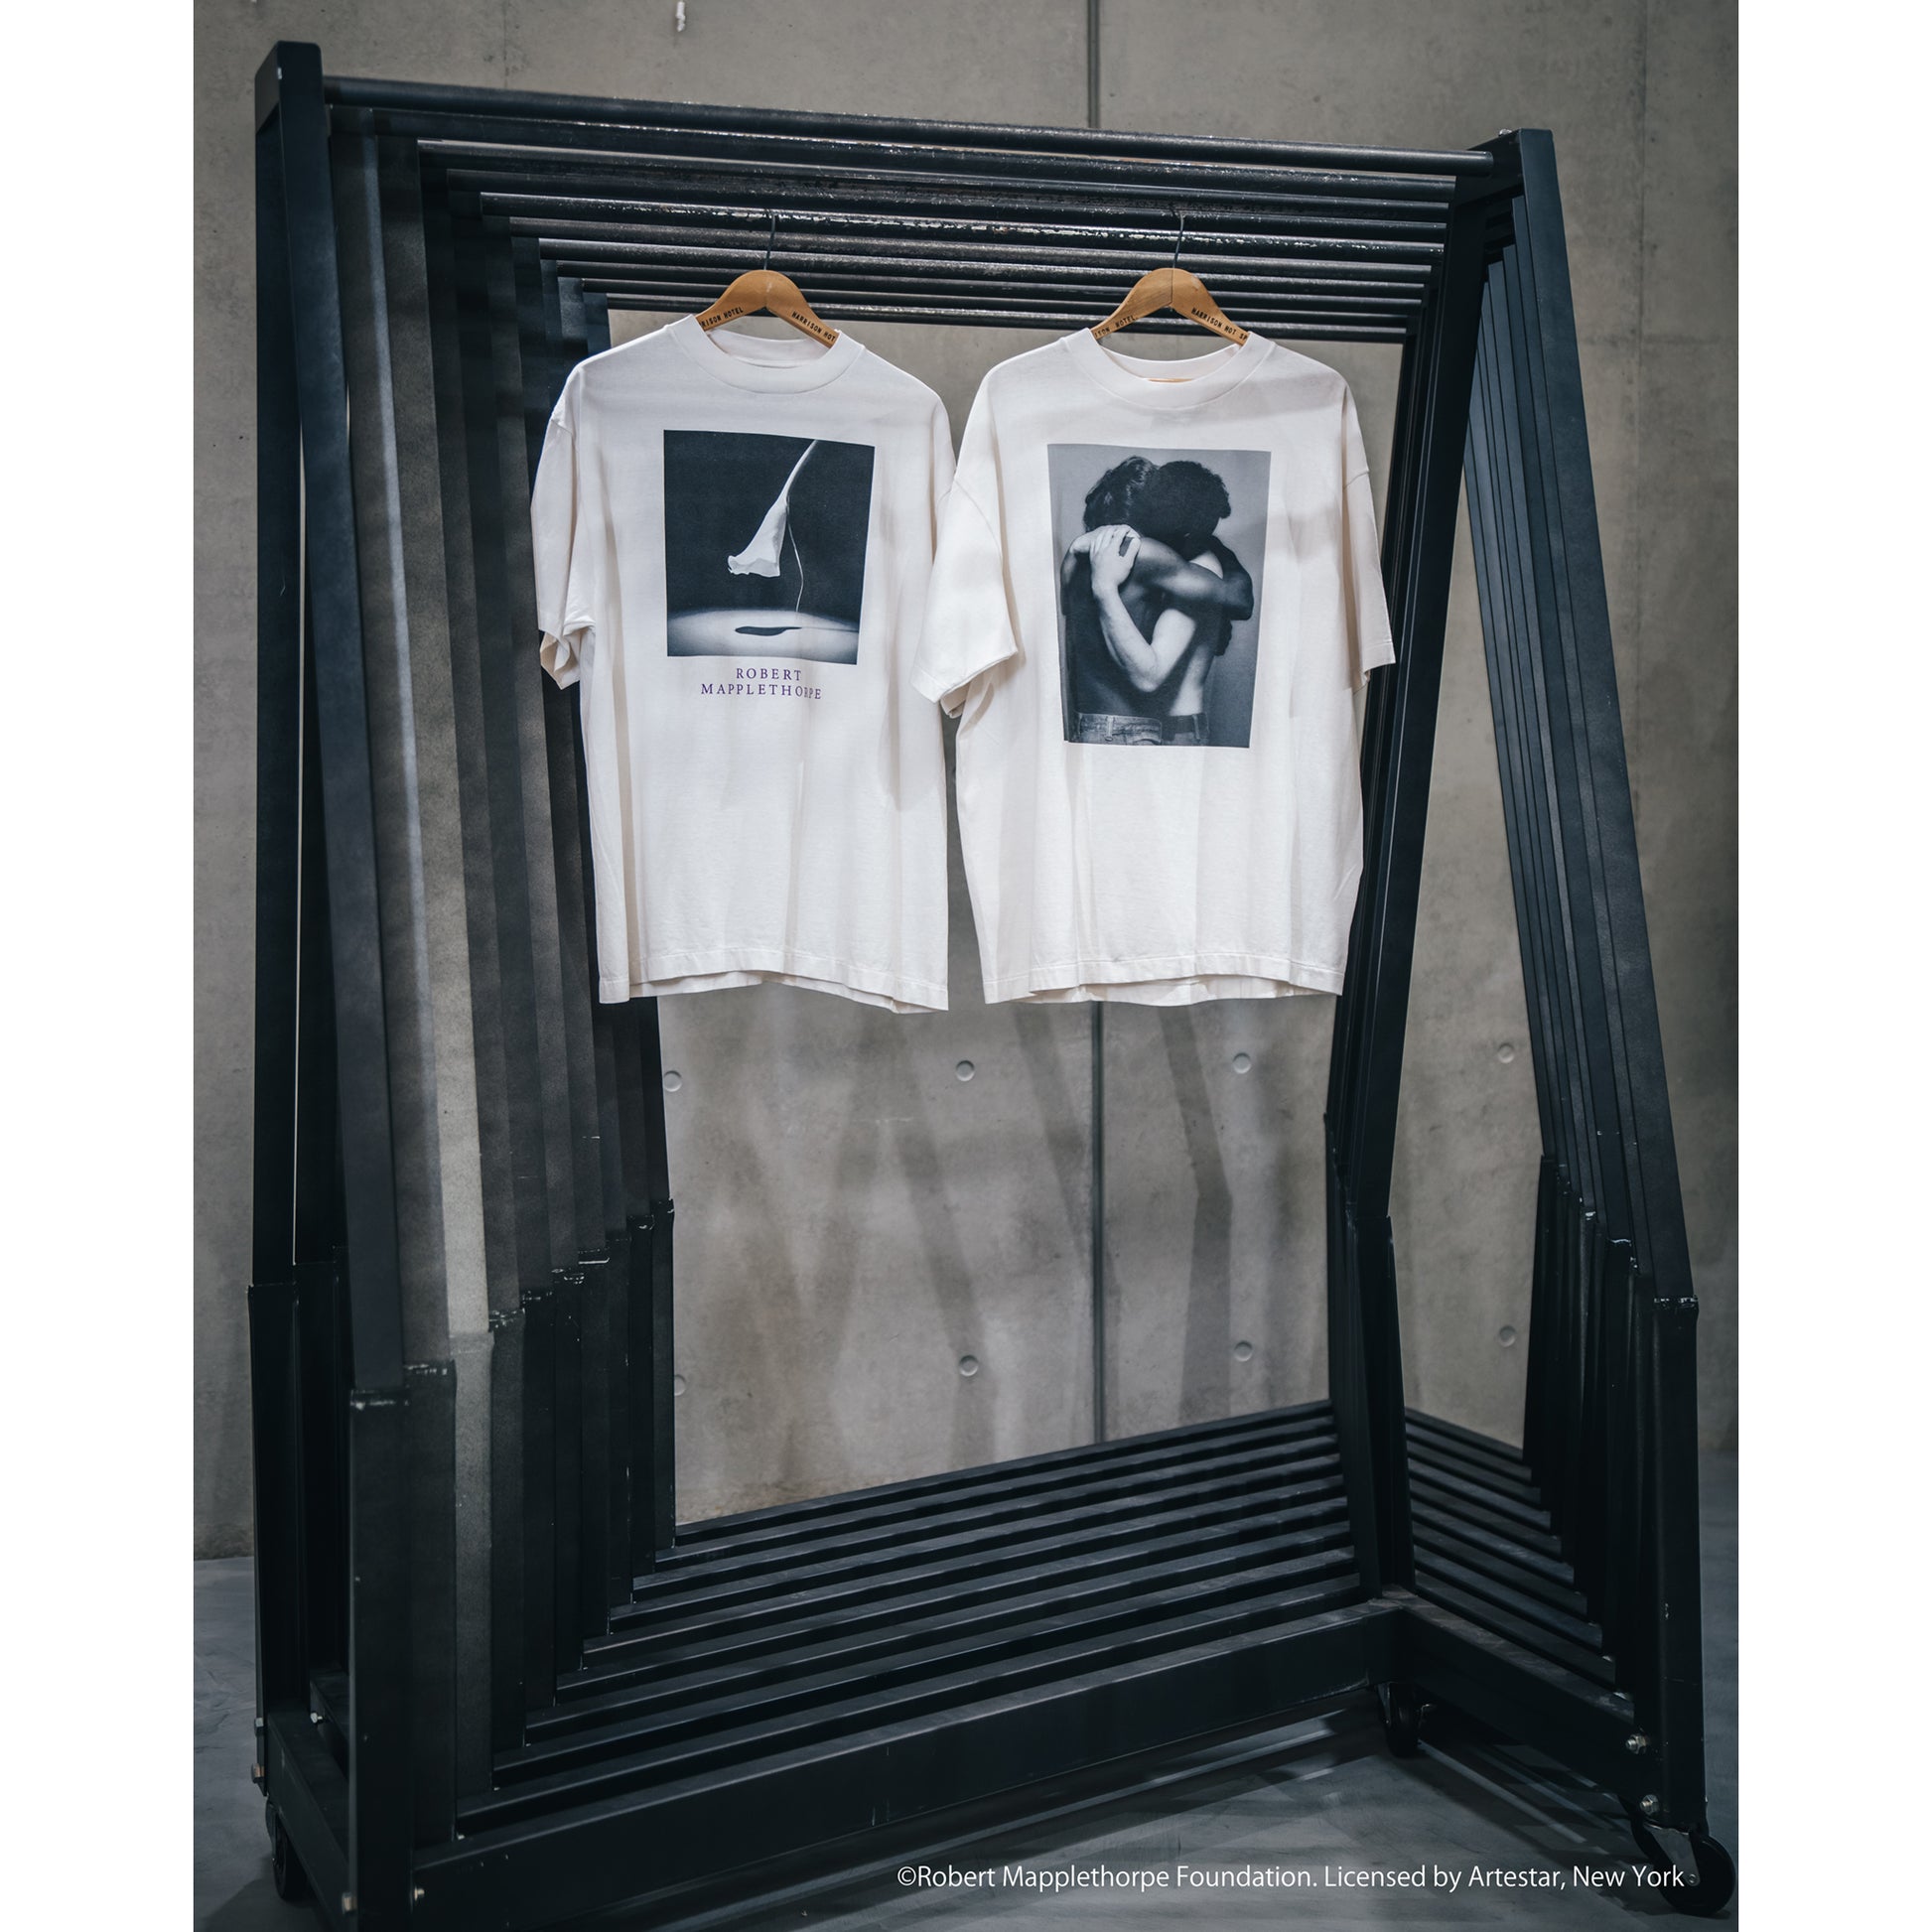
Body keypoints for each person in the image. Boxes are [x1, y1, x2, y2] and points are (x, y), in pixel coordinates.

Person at [1059, 457, 1254, 745]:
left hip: (1086, 725)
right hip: (1134, 733)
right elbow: (1240, 598)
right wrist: (1211, 546)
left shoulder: (1078, 558)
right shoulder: (1148, 554)